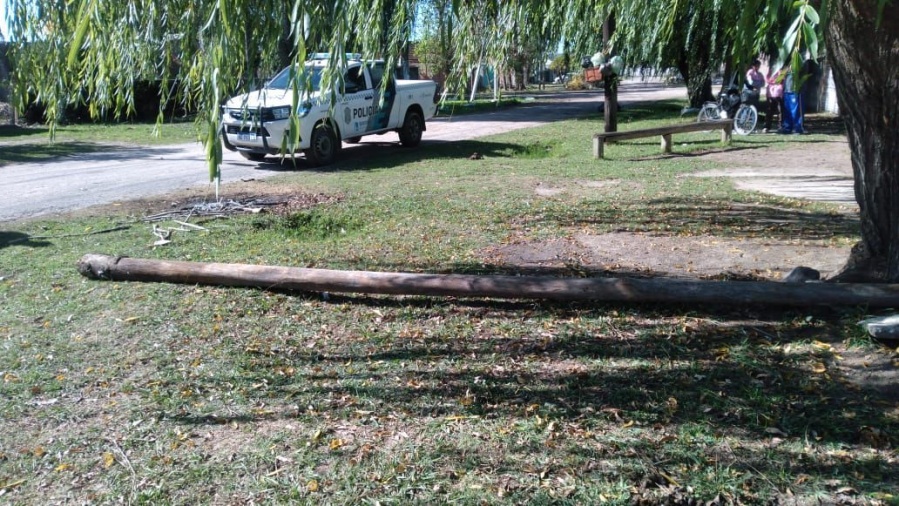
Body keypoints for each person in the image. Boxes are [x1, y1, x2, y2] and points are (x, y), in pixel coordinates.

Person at [780, 65, 805, 134]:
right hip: (787, 91)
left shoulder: (799, 62)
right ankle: (787, 128)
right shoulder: (786, 65)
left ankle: (798, 128)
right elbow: (781, 76)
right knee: (787, 111)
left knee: (796, 111)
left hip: (795, 91)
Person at [764, 66, 784, 133]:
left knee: (780, 111)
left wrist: (774, 81)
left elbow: (781, 79)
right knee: (769, 111)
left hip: (778, 94)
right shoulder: (771, 70)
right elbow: (767, 79)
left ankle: (780, 126)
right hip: (770, 94)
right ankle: (767, 126)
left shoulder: (780, 71)